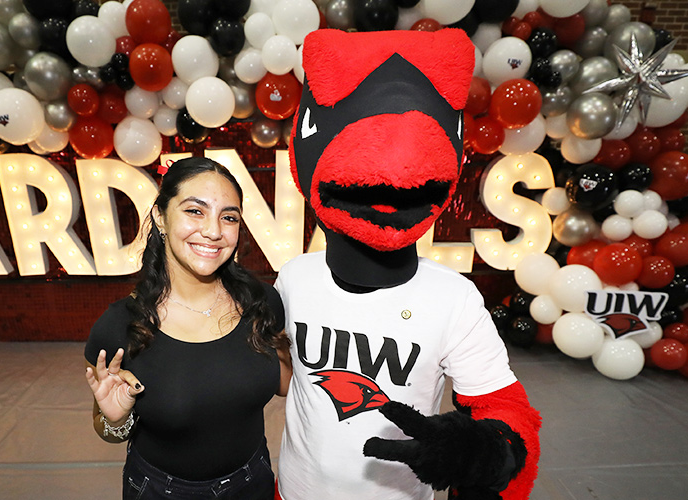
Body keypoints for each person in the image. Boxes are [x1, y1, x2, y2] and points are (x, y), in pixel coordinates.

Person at [274, 29, 540, 500]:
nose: (388, 185)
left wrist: (485, 452)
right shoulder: (295, 278)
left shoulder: (453, 297)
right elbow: (285, 373)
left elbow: (503, 404)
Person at [84, 156, 291, 500]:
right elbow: (109, 430)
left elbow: (283, 384)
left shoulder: (262, 302)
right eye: (195, 211)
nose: (213, 231)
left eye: (228, 217)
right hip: (160, 491)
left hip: (251, 482)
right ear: (160, 217)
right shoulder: (121, 325)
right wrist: (117, 418)